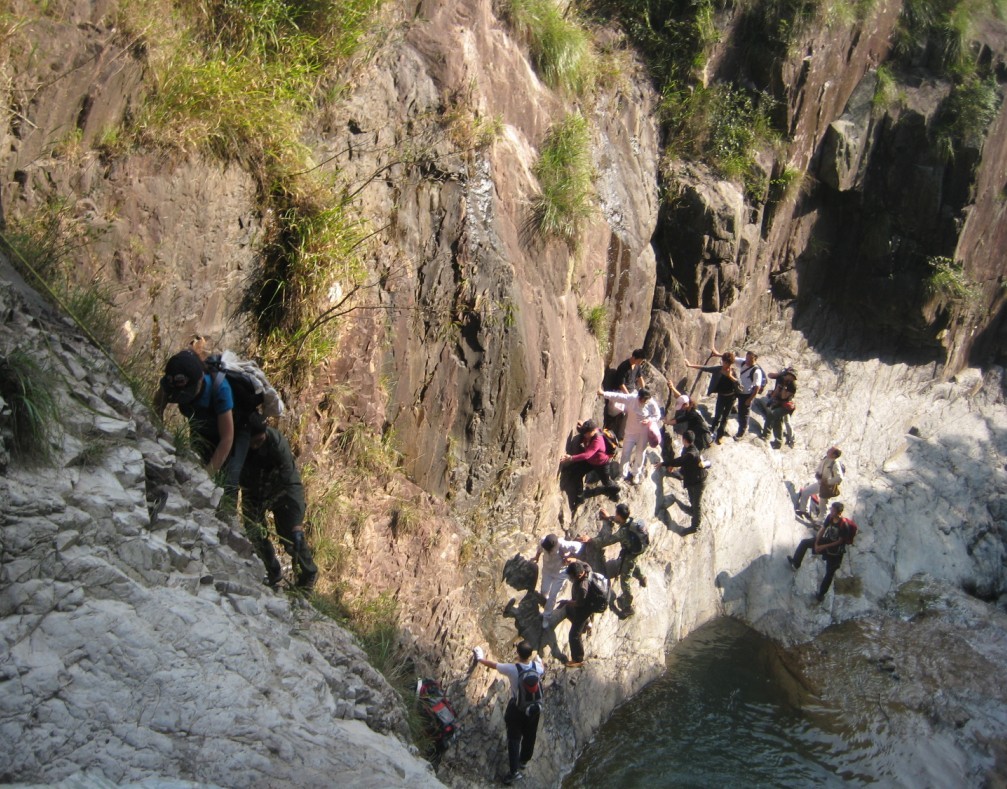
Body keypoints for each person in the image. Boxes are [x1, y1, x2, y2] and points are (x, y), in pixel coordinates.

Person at [157, 348, 249, 508]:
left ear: (200, 379)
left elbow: (227, 438)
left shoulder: (220, 389)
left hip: (236, 431)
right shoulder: (170, 384)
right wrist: (158, 436)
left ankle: (226, 518)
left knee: (228, 480)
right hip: (201, 430)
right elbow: (157, 408)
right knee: (194, 466)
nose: (185, 397)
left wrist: (206, 476)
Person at [240, 413, 318, 590]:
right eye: (253, 442)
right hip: (252, 490)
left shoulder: (277, 444)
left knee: (291, 536)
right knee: (255, 532)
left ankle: (308, 575)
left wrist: (297, 522)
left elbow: (292, 482)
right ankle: (272, 571)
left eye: (259, 441)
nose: (255, 445)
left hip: (279, 489)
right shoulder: (241, 444)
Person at [472, 640, 545, 785]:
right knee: (530, 735)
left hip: (517, 709)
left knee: (514, 739)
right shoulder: (537, 667)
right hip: (534, 709)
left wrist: (480, 658)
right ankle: (523, 761)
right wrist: (539, 660)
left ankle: (514, 773)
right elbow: (543, 668)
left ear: (517, 654)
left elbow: (494, 665)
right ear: (530, 655)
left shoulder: (512, 669)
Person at [582, 503, 648, 616]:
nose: (615, 515)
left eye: (616, 514)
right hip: (638, 550)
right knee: (631, 564)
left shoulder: (623, 533)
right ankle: (642, 577)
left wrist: (590, 540)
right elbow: (622, 522)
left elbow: (607, 540)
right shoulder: (632, 520)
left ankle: (628, 607)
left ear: (619, 515)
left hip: (630, 554)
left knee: (625, 579)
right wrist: (609, 518)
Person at [788, 501, 853, 602]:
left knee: (829, 573)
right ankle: (796, 563)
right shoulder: (830, 517)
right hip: (827, 542)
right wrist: (817, 543)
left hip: (836, 552)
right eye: (831, 509)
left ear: (838, 513)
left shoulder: (843, 525)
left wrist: (822, 546)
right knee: (805, 543)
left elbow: (840, 542)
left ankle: (821, 594)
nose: (831, 511)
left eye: (833, 510)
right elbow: (822, 529)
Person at [597, 387, 661, 485]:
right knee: (625, 453)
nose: (643, 401)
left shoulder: (651, 404)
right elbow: (618, 396)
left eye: (645, 400)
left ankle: (636, 473)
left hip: (643, 433)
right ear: (639, 397)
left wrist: (649, 420)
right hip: (630, 432)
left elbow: (657, 415)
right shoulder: (632, 398)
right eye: (642, 399)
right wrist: (603, 393)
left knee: (640, 453)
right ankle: (622, 474)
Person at [709, 345, 766, 439]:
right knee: (729, 402)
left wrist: (750, 399)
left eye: (750, 359)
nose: (747, 361)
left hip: (747, 394)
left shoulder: (756, 371)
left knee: (743, 414)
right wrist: (718, 354)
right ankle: (731, 410)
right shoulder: (744, 362)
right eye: (747, 358)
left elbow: (757, 388)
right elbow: (731, 359)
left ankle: (740, 433)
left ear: (755, 359)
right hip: (738, 390)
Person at [685, 352, 740, 444]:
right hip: (721, 396)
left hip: (731, 398)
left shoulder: (733, 372)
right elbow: (706, 368)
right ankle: (711, 432)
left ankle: (720, 436)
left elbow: (739, 383)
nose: (725, 364)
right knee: (717, 415)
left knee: (725, 417)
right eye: (724, 362)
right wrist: (690, 365)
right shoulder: (718, 369)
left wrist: (730, 376)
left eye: (727, 363)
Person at [560, 419, 619, 504]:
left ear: (593, 431)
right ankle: (580, 496)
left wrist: (571, 458)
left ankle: (616, 490)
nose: (585, 435)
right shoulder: (592, 431)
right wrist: (583, 426)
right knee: (577, 473)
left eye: (587, 433)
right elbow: (588, 428)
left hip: (601, 464)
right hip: (590, 461)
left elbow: (587, 454)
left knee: (606, 482)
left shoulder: (597, 441)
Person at [662, 430, 708, 534]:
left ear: (684, 440)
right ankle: (692, 510)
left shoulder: (691, 453)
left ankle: (695, 526)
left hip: (698, 481)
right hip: (693, 479)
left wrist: (664, 463)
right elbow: (683, 462)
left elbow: (679, 461)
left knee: (697, 504)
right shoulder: (688, 448)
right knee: (692, 498)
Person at [534, 533, 584, 628]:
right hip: (547, 571)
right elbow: (539, 550)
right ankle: (547, 603)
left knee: (553, 595)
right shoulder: (543, 541)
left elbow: (578, 546)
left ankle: (546, 616)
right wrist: (536, 558)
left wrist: (570, 556)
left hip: (560, 573)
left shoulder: (563, 544)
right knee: (544, 591)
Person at [604, 349, 647, 436]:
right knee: (613, 412)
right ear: (634, 357)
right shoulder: (623, 366)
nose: (641, 362)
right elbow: (621, 384)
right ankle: (608, 429)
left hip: (632, 392)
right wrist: (628, 397)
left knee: (634, 411)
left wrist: (644, 390)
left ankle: (622, 435)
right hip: (621, 392)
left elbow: (640, 378)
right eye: (640, 360)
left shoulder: (637, 366)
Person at [558, 560, 592, 668]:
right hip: (585, 607)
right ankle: (586, 624)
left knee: (574, 635)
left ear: (577, 575)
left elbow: (579, 603)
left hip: (583, 610)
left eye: (571, 577)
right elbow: (578, 562)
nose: (570, 578)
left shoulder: (583, 587)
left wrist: (566, 601)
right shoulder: (585, 568)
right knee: (569, 609)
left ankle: (578, 659)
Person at [796, 447, 844, 519]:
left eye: (831, 450)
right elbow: (821, 468)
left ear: (834, 455)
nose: (828, 450)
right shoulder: (826, 458)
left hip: (827, 487)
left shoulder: (835, 464)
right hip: (820, 483)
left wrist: (828, 482)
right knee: (806, 492)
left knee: (823, 505)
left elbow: (839, 478)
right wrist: (818, 474)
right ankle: (803, 510)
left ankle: (821, 522)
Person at [762, 367, 798, 448]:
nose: (792, 378)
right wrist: (771, 399)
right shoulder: (781, 378)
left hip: (786, 405)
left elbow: (783, 396)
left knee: (773, 415)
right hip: (778, 402)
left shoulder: (792, 385)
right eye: (791, 376)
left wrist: (784, 387)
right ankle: (778, 442)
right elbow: (770, 376)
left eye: (793, 377)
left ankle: (766, 435)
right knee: (777, 421)